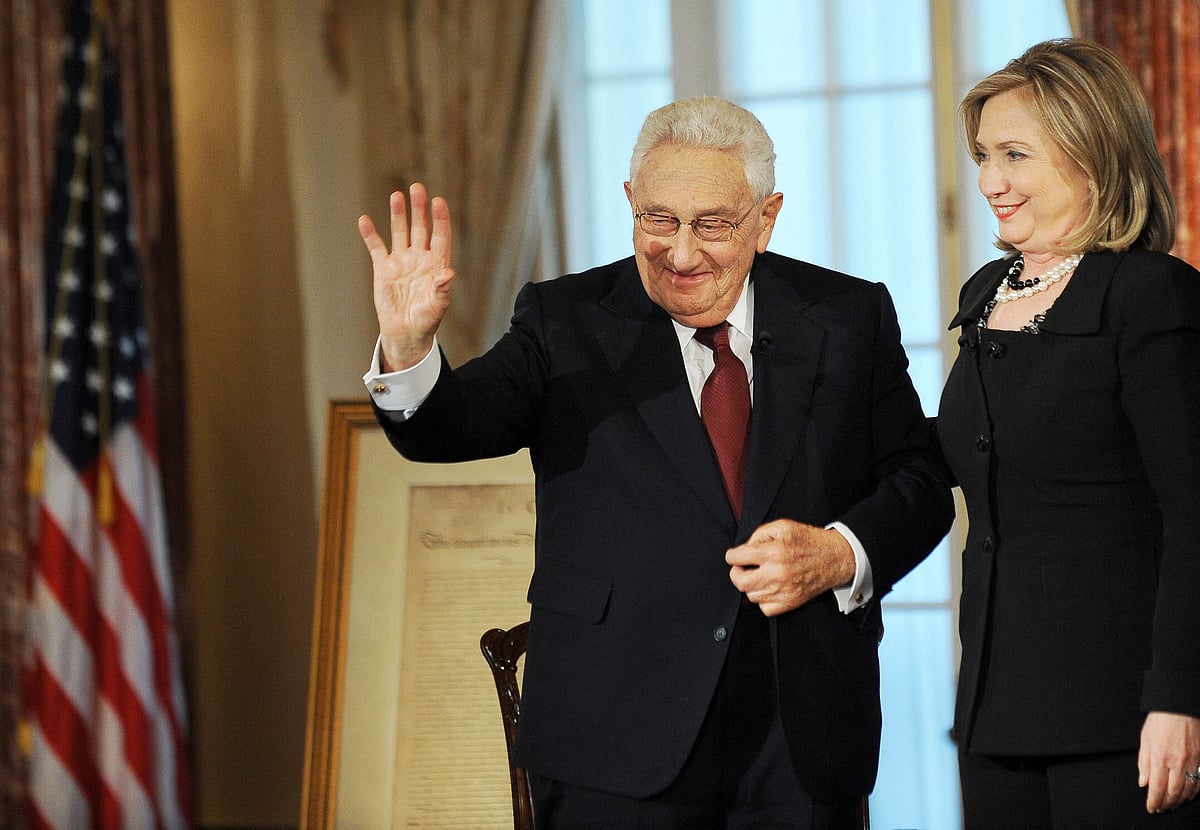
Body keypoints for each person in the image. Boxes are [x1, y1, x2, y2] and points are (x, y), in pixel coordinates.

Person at [361, 96, 953, 829]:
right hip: (613, 742)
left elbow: (919, 482)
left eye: (712, 225)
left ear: (766, 218)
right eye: (659, 219)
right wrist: (410, 350)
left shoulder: (847, 316)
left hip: (797, 741)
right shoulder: (565, 320)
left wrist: (840, 554)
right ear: (630, 202)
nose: (680, 252)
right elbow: (448, 426)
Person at [938, 38, 1200, 828]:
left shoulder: (1151, 295)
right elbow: (982, 443)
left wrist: (1180, 701)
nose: (990, 181)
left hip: (1125, 717)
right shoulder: (987, 291)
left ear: (1094, 156)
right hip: (995, 710)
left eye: (1016, 154)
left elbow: (1194, 512)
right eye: (984, 154)